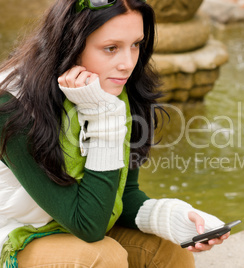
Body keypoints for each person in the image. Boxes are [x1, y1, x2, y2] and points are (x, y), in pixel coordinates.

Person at [0, 0, 229, 267]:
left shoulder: (117, 88)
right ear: (71, 44)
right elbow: (89, 225)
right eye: (111, 48)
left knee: (167, 251)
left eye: (135, 44)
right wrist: (104, 119)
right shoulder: (11, 105)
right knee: (102, 257)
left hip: (76, 225)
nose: (128, 63)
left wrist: (172, 216)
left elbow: (123, 193)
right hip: (15, 236)